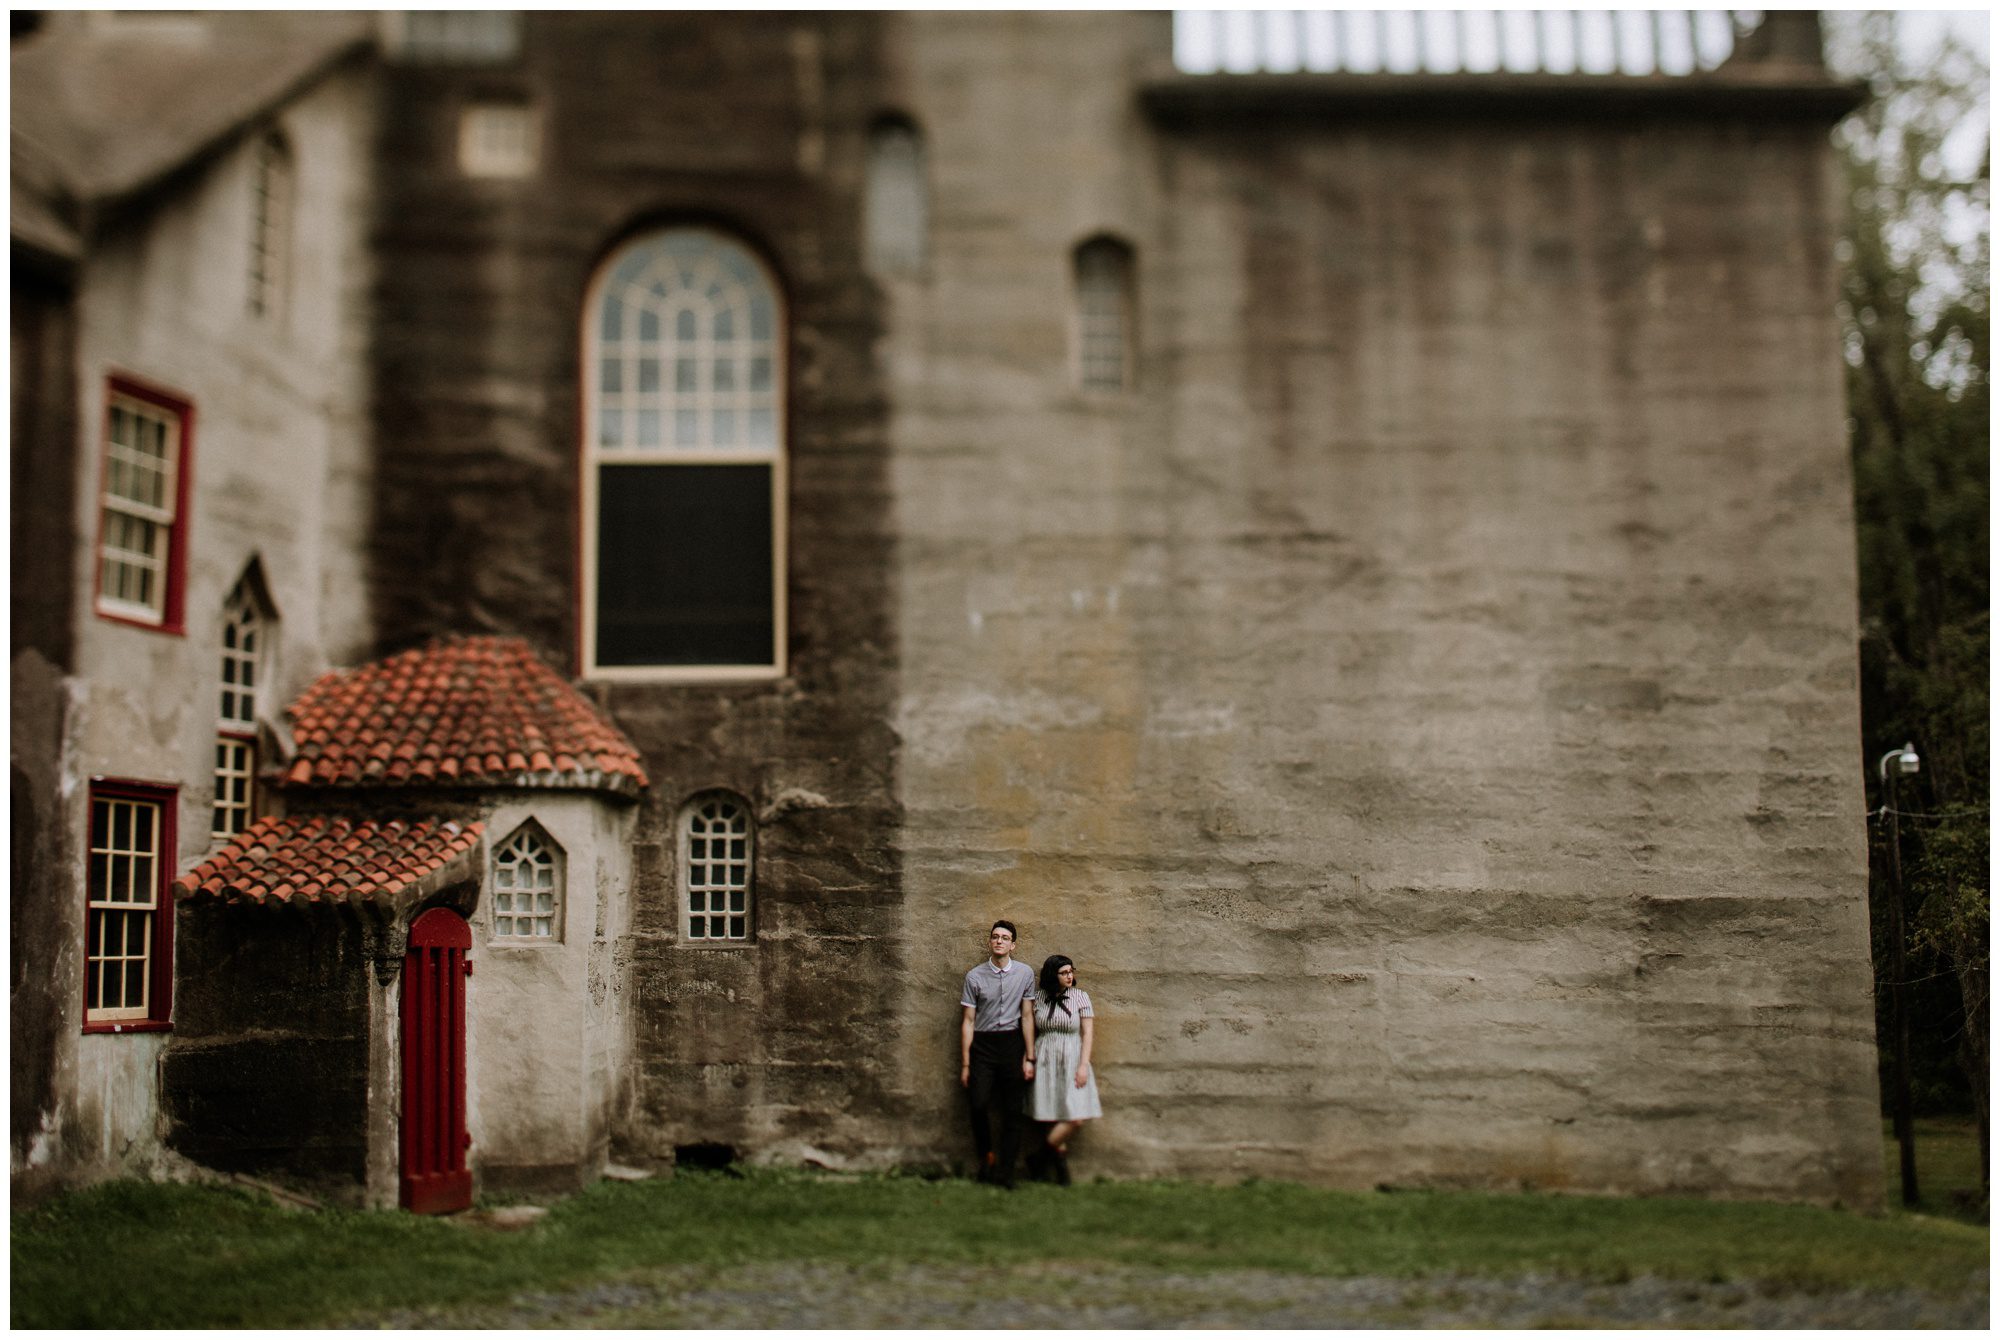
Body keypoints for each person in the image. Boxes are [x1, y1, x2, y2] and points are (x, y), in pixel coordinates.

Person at [958, 919, 1037, 1188]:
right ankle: (987, 1158)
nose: (999, 941)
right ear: (989, 942)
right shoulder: (974, 976)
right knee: (978, 1103)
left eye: (1004, 938)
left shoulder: (1025, 974)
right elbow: (968, 1021)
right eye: (995, 937)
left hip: (1012, 1044)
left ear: (1013, 945)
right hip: (983, 1045)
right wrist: (966, 1064)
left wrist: (1029, 1057)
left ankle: (1006, 1171)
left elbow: (1027, 1016)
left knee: (1013, 1110)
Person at [1024, 954, 1100, 1186]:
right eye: (1064, 972)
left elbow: (1088, 1033)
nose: (1069, 976)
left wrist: (1083, 1065)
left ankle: (1038, 1158)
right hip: (1045, 1056)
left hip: (1072, 1057)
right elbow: (1029, 1028)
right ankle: (1061, 1173)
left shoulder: (1080, 997)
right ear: (1052, 975)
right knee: (1052, 1114)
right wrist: (1029, 1058)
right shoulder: (1038, 998)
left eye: (1071, 971)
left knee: (1074, 1118)